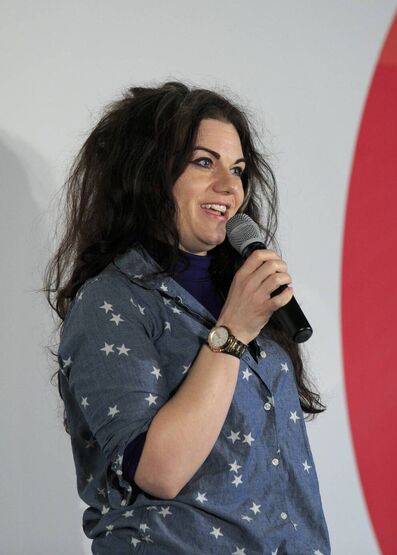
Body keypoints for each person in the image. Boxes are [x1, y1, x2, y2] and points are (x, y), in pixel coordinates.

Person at [45, 82, 330, 554]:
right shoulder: (111, 300)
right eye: (204, 162)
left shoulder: (240, 294)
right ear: (148, 174)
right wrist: (233, 330)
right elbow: (161, 471)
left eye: (238, 169)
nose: (230, 186)